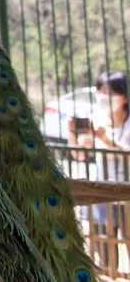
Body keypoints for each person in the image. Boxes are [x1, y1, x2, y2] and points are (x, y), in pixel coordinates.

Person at [68, 70, 130, 270]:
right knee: (104, 256)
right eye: (100, 91)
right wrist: (72, 134)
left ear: (124, 97)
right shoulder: (97, 119)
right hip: (103, 193)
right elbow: (79, 155)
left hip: (127, 194)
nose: (103, 97)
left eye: (109, 92)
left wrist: (105, 139)